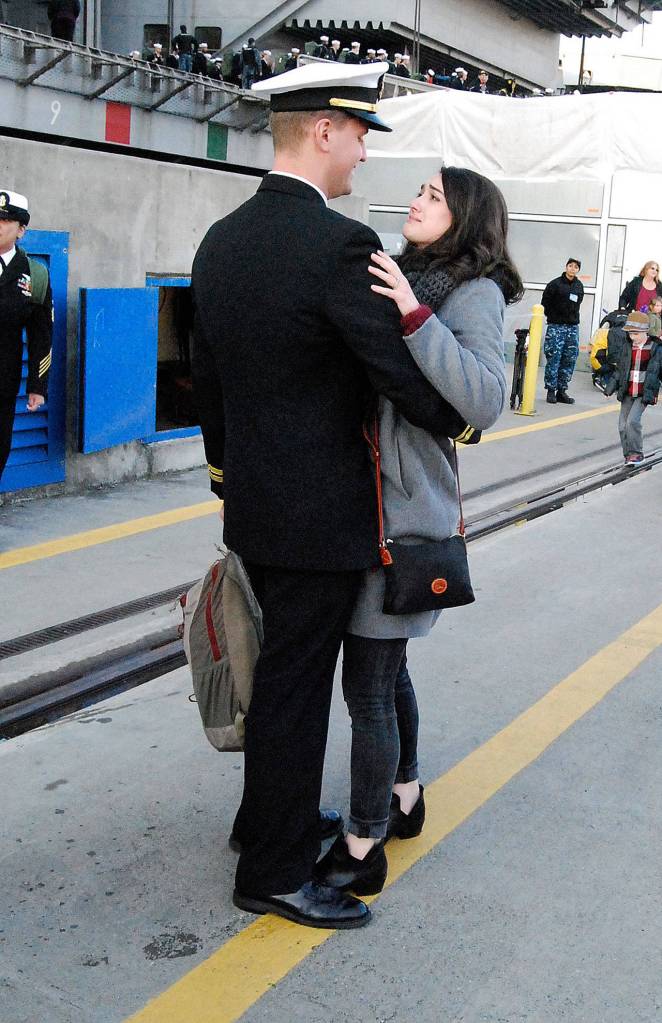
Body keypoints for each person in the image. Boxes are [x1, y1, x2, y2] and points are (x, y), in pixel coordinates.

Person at [191, 60, 474, 930]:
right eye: (357, 134)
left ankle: (259, 824)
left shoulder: (221, 238)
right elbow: (391, 368)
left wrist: (227, 472)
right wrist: (457, 418)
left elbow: (208, 377)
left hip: (256, 506)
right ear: (323, 130)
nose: (360, 153)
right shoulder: (339, 245)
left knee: (276, 674)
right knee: (297, 690)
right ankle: (275, 873)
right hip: (322, 516)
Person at [314, 167, 520, 895]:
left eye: (435, 196)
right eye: (420, 192)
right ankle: (405, 794)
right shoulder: (401, 272)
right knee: (387, 668)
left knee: (368, 684)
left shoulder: (472, 293)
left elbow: (486, 399)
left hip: (402, 514)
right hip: (361, 501)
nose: (417, 202)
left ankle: (363, 844)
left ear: (466, 215)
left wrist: (412, 315)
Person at [0, 191, 53, 485]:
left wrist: (37, 385)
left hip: (3, 384)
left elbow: (41, 335)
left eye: (6, 219)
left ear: (21, 230)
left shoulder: (35, 275)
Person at [604, 311, 662, 464]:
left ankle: (636, 453)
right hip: (628, 391)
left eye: (636, 334)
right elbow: (620, 369)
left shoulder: (655, 348)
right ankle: (628, 454)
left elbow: (659, 370)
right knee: (622, 425)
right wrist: (610, 386)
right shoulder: (628, 347)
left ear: (645, 331)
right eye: (630, 334)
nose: (632, 337)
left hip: (644, 392)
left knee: (632, 422)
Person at [541, 258, 584, 404]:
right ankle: (551, 390)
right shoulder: (555, 284)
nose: (572, 269)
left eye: (576, 267)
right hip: (556, 327)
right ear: (566, 267)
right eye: (570, 266)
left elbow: (578, 303)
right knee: (554, 357)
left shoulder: (579, 286)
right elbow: (545, 304)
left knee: (569, 358)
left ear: (578, 270)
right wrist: (554, 317)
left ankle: (562, 390)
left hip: (572, 328)